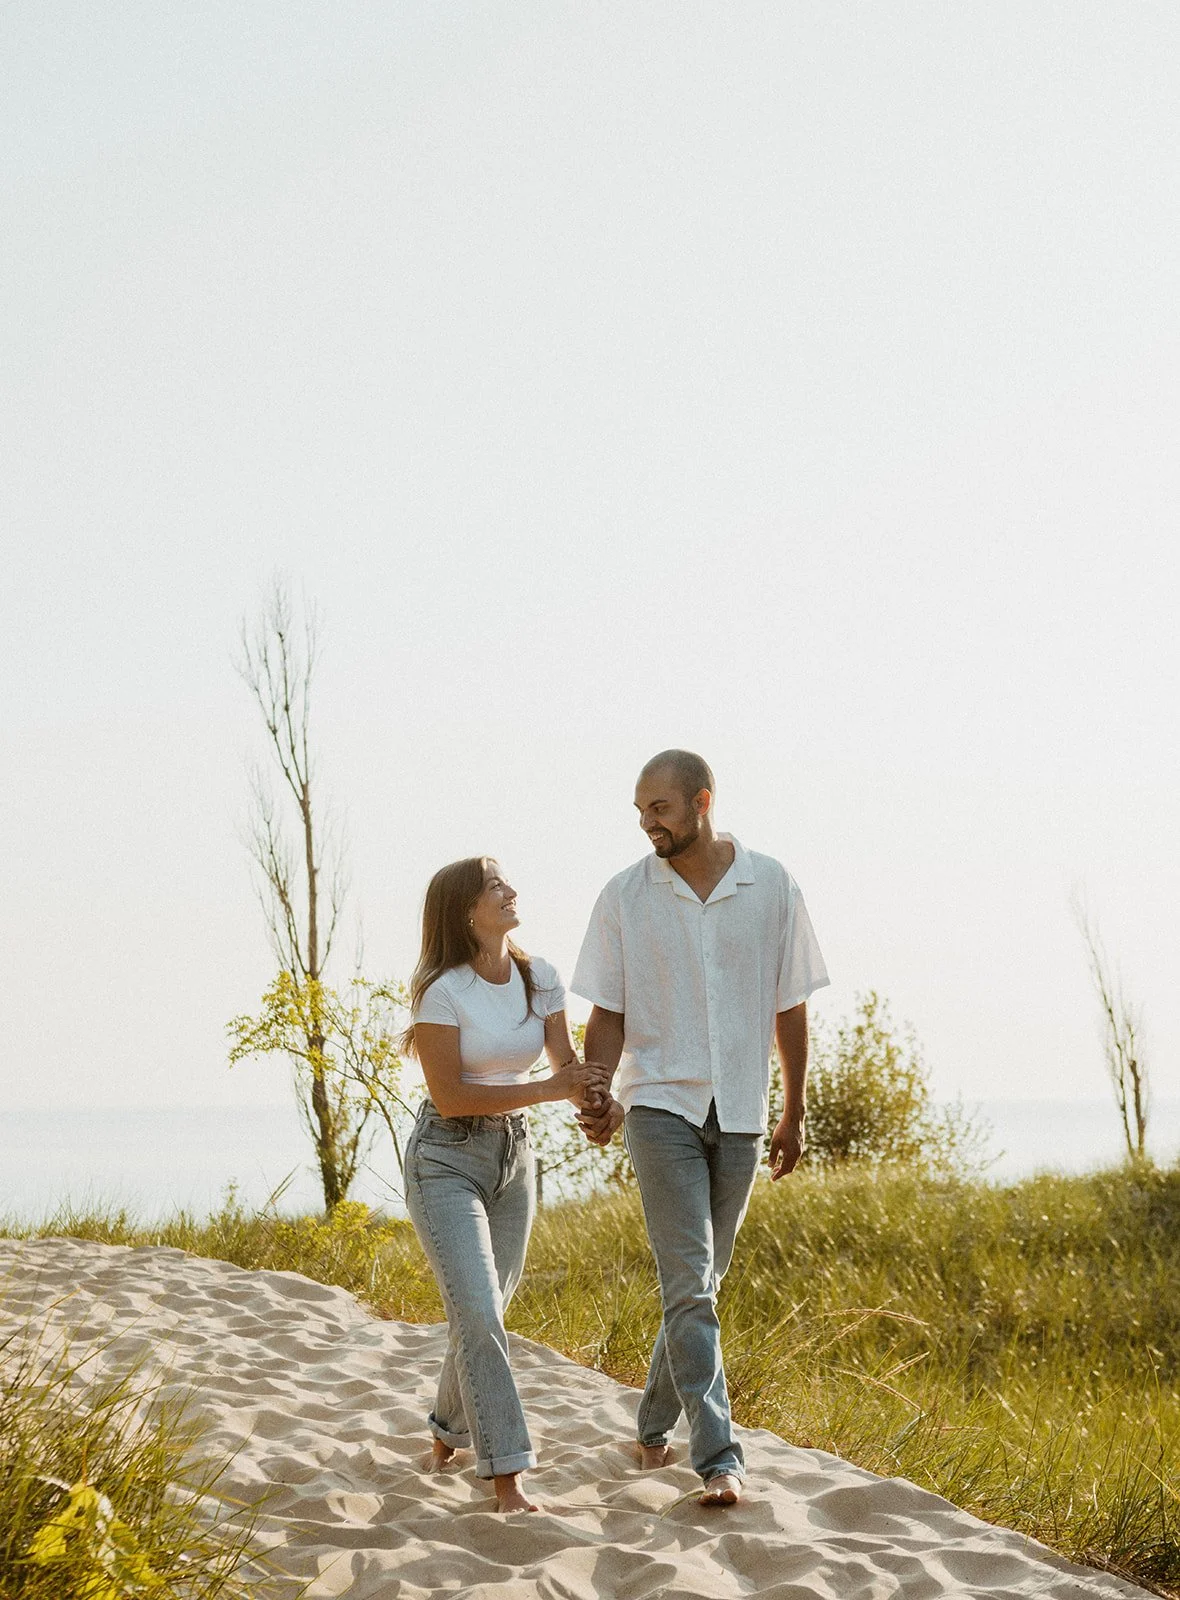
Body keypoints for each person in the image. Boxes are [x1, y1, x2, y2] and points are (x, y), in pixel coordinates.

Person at [572, 750, 828, 1507]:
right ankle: (719, 1456)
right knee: (690, 1283)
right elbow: (608, 1010)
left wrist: (794, 1107)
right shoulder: (625, 896)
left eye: (661, 807)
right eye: (641, 810)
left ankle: (651, 1423)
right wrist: (595, 1087)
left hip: (744, 1111)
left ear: (702, 801)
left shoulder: (771, 884)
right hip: (659, 1105)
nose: (649, 821)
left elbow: (791, 1006)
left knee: (701, 1286)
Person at [400, 856, 607, 1514]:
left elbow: (566, 1066)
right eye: (495, 885)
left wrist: (598, 1105)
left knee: (480, 1311)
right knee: (481, 1313)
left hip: (514, 1159)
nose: (511, 890)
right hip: (445, 1158)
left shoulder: (537, 976)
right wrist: (553, 1090)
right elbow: (453, 1097)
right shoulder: (442, 992)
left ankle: (446, 1431)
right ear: (466, 910)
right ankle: (507, 1476)